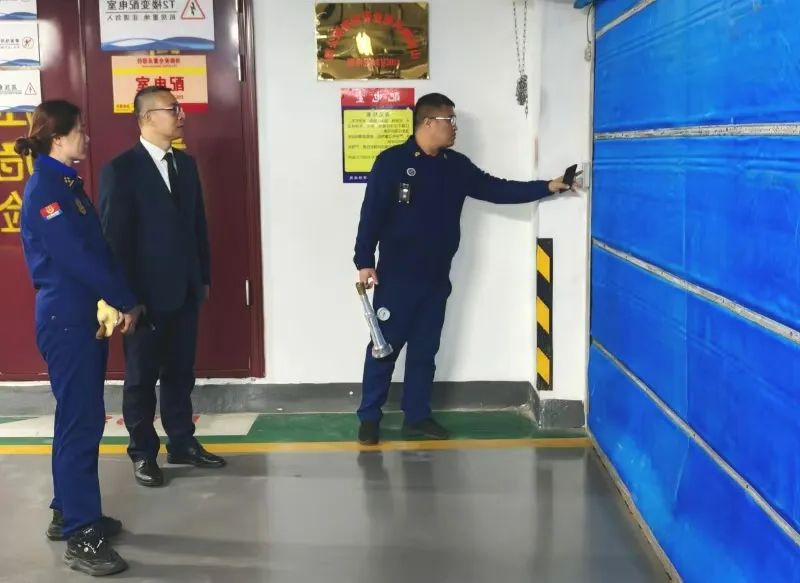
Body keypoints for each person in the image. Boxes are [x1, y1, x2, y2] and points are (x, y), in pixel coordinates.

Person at [353, 93, 579, 445]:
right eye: (450, 121)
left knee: (425, 352)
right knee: (383, 349)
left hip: (435, 279)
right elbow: (371, 214)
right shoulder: (392, 162)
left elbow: (496, 189)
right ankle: (369, 418)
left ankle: (417, 417)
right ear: (428, 123)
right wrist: (364, 260)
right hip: (396, 278)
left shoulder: (455, 166)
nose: (454, 128)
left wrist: (548, 187)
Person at [17, 99, 143, 576]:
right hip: (67, 320)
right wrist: (125, 299)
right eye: (80, 130)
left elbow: (98, 249)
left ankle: (66, 510)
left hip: (79, 317)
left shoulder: (67, 185)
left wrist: (120, 295)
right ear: (58, 138)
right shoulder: (47, 191)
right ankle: (82, 535)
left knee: (76, 417)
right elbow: (79, 258)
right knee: (81, 421)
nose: (86, 137)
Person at [99, 86, 225, 488]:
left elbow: (197, 227)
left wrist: (202, 278)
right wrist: (126, 299)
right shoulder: (121, 170)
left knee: (180, 373)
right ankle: (142, 452)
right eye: (173, 109)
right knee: (140, 379)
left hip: (185, 291)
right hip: (143, 299)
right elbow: (114, 241)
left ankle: (182, 442)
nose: (181, 115)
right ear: (147, 117)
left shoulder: (185, 165)